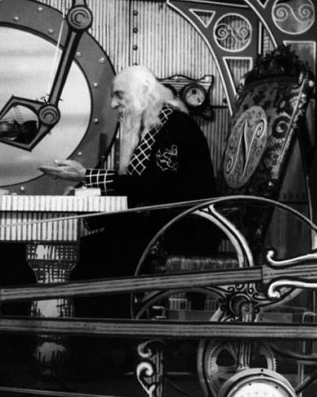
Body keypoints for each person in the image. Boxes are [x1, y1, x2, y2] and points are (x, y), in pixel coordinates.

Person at [40, 65, 219, 319]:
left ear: (144, 93)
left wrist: (86, 176)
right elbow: (138, 188)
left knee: (91, 261)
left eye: (119, 95)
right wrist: (84, 190)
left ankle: (111, 337)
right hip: (159, 226)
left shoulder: (176, 127)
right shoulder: (156, 125)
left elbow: (149, 188)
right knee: (82, 254)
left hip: (181, 231)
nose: (113, 104)